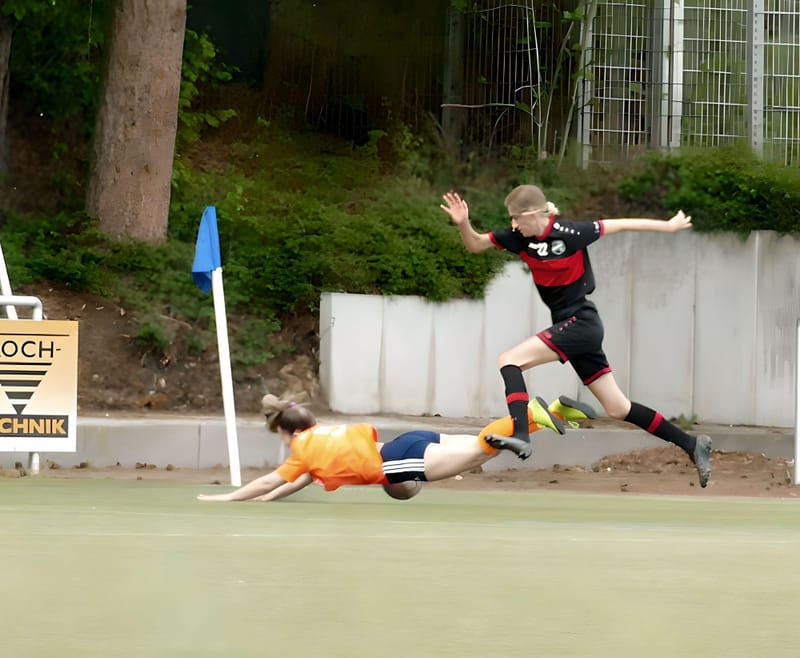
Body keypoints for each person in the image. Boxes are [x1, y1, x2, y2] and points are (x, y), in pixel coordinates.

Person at [440, 185, 712, 488]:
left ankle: (520, 435)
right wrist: (463, 222)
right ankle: (692, 444)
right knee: (618, 408)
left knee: (509, 360)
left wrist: (669, 226)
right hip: (572, 326)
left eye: (517, 218)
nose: (513, 225)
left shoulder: (572, 233)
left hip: (580, 321)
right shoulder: (518, 238)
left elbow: (620, 224)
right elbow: (476, 245)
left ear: (532, 214)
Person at [196, 393, 575, 503]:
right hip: (408, 441)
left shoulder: (303, 452)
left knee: (478, 453)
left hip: (397, 462)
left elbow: (271, 481)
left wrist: (230, 499)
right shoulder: (327, 433)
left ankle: (531, 415)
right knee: (477, 442)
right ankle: (552, 412)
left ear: (287, 432)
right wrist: (273, 497)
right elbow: (300, 481)